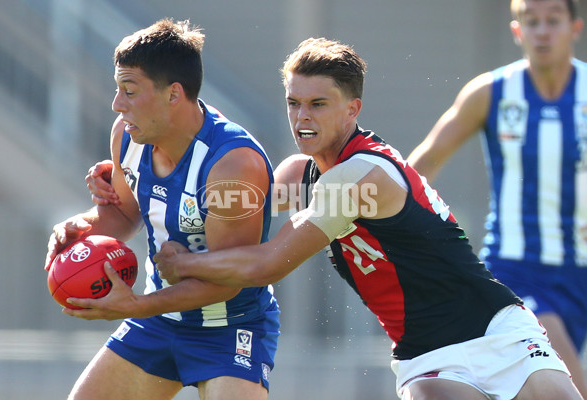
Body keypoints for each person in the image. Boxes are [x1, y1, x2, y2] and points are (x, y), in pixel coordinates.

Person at [112, 36, 581, 399]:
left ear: (352, 109)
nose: (301, 118)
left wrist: (185, 265)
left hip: (497, 327)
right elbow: (228, 204)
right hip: (426, 354)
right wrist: (124, 180)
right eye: (293, 103)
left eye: (319, 104)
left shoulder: (361, 176)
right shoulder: (301, 174)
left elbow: (267, 263)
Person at [44, 19, 280, 400]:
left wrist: (136, 305)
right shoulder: (127, 134)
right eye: (117, 89)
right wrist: (82, 227)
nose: (117, 104)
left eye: (129, 91)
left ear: (174, 94)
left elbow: (227, 280)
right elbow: (123, 214)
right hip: (158, 320)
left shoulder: (232, 164)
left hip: (230, 326)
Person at [407, 0, 587, 396]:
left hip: (579, 273)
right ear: (517, 30)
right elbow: (426, 161)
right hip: (514, 269)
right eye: (531, 21)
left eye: (552, 21)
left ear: (574, 27)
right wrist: (393, 223)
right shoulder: (491, 92)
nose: (542, 31)